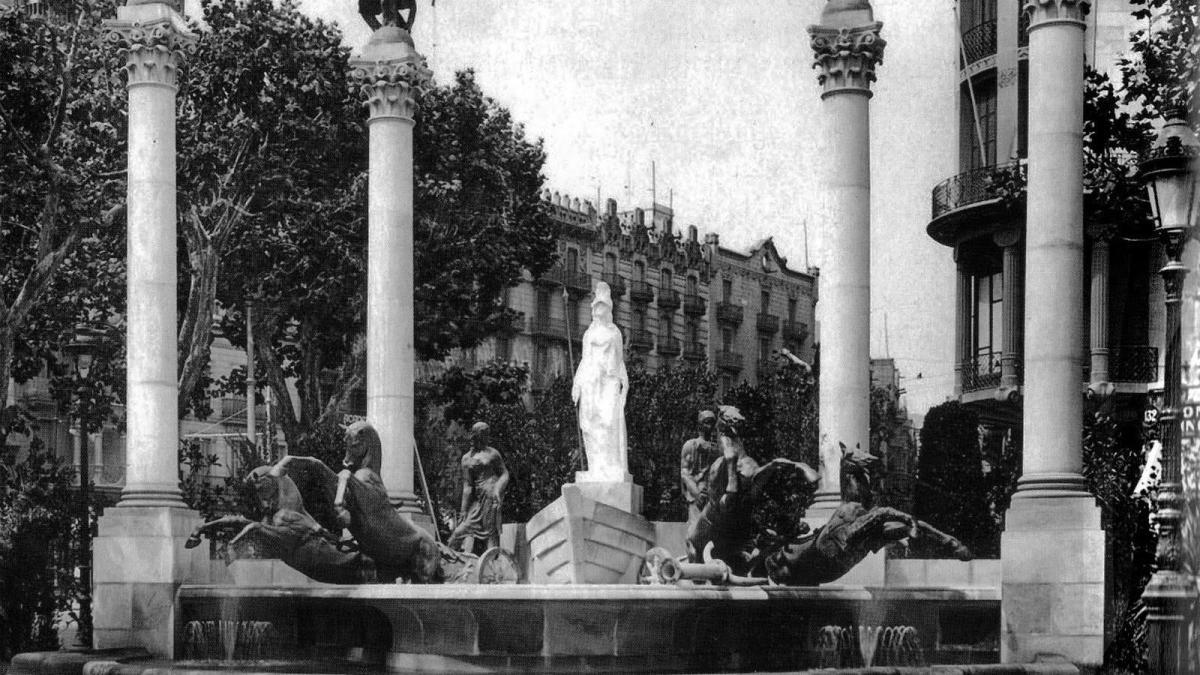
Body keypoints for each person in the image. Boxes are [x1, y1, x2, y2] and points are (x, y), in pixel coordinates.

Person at [572, 282, 629, 481]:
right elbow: (584, 360)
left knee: (608, 422)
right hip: (590, 380)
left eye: (602, 307)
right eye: (596, 307)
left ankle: (610, 466)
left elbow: (620, 361)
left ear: (608, 309)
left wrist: (625, 386)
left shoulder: (615, 333)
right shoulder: (589, 334)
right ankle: (595, 467)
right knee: (589, 423)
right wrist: (576, 384)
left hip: (609, 382)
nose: (598, 311)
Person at [449, 422, 510, 554]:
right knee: (458, 533)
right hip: (478, 500)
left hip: (491, 496)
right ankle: (448, 562)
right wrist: (463, 511)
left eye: (488, 434)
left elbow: (504, 473)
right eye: (484, 434)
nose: (487, 437)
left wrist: (498, 489)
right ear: (477, 435)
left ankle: (494, 567)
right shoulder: (466, 459)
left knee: (491, 534)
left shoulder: (493, 453)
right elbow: (468, 486)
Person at [680, 410, 719, 528]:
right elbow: (685, 473)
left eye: (712, 422)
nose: (710, 426)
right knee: (696, 532)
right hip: (698, 493)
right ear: (700, 425)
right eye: (707, 422)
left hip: (714, 495)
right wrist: (696, 493)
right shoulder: (690, 445)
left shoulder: (717, 448)